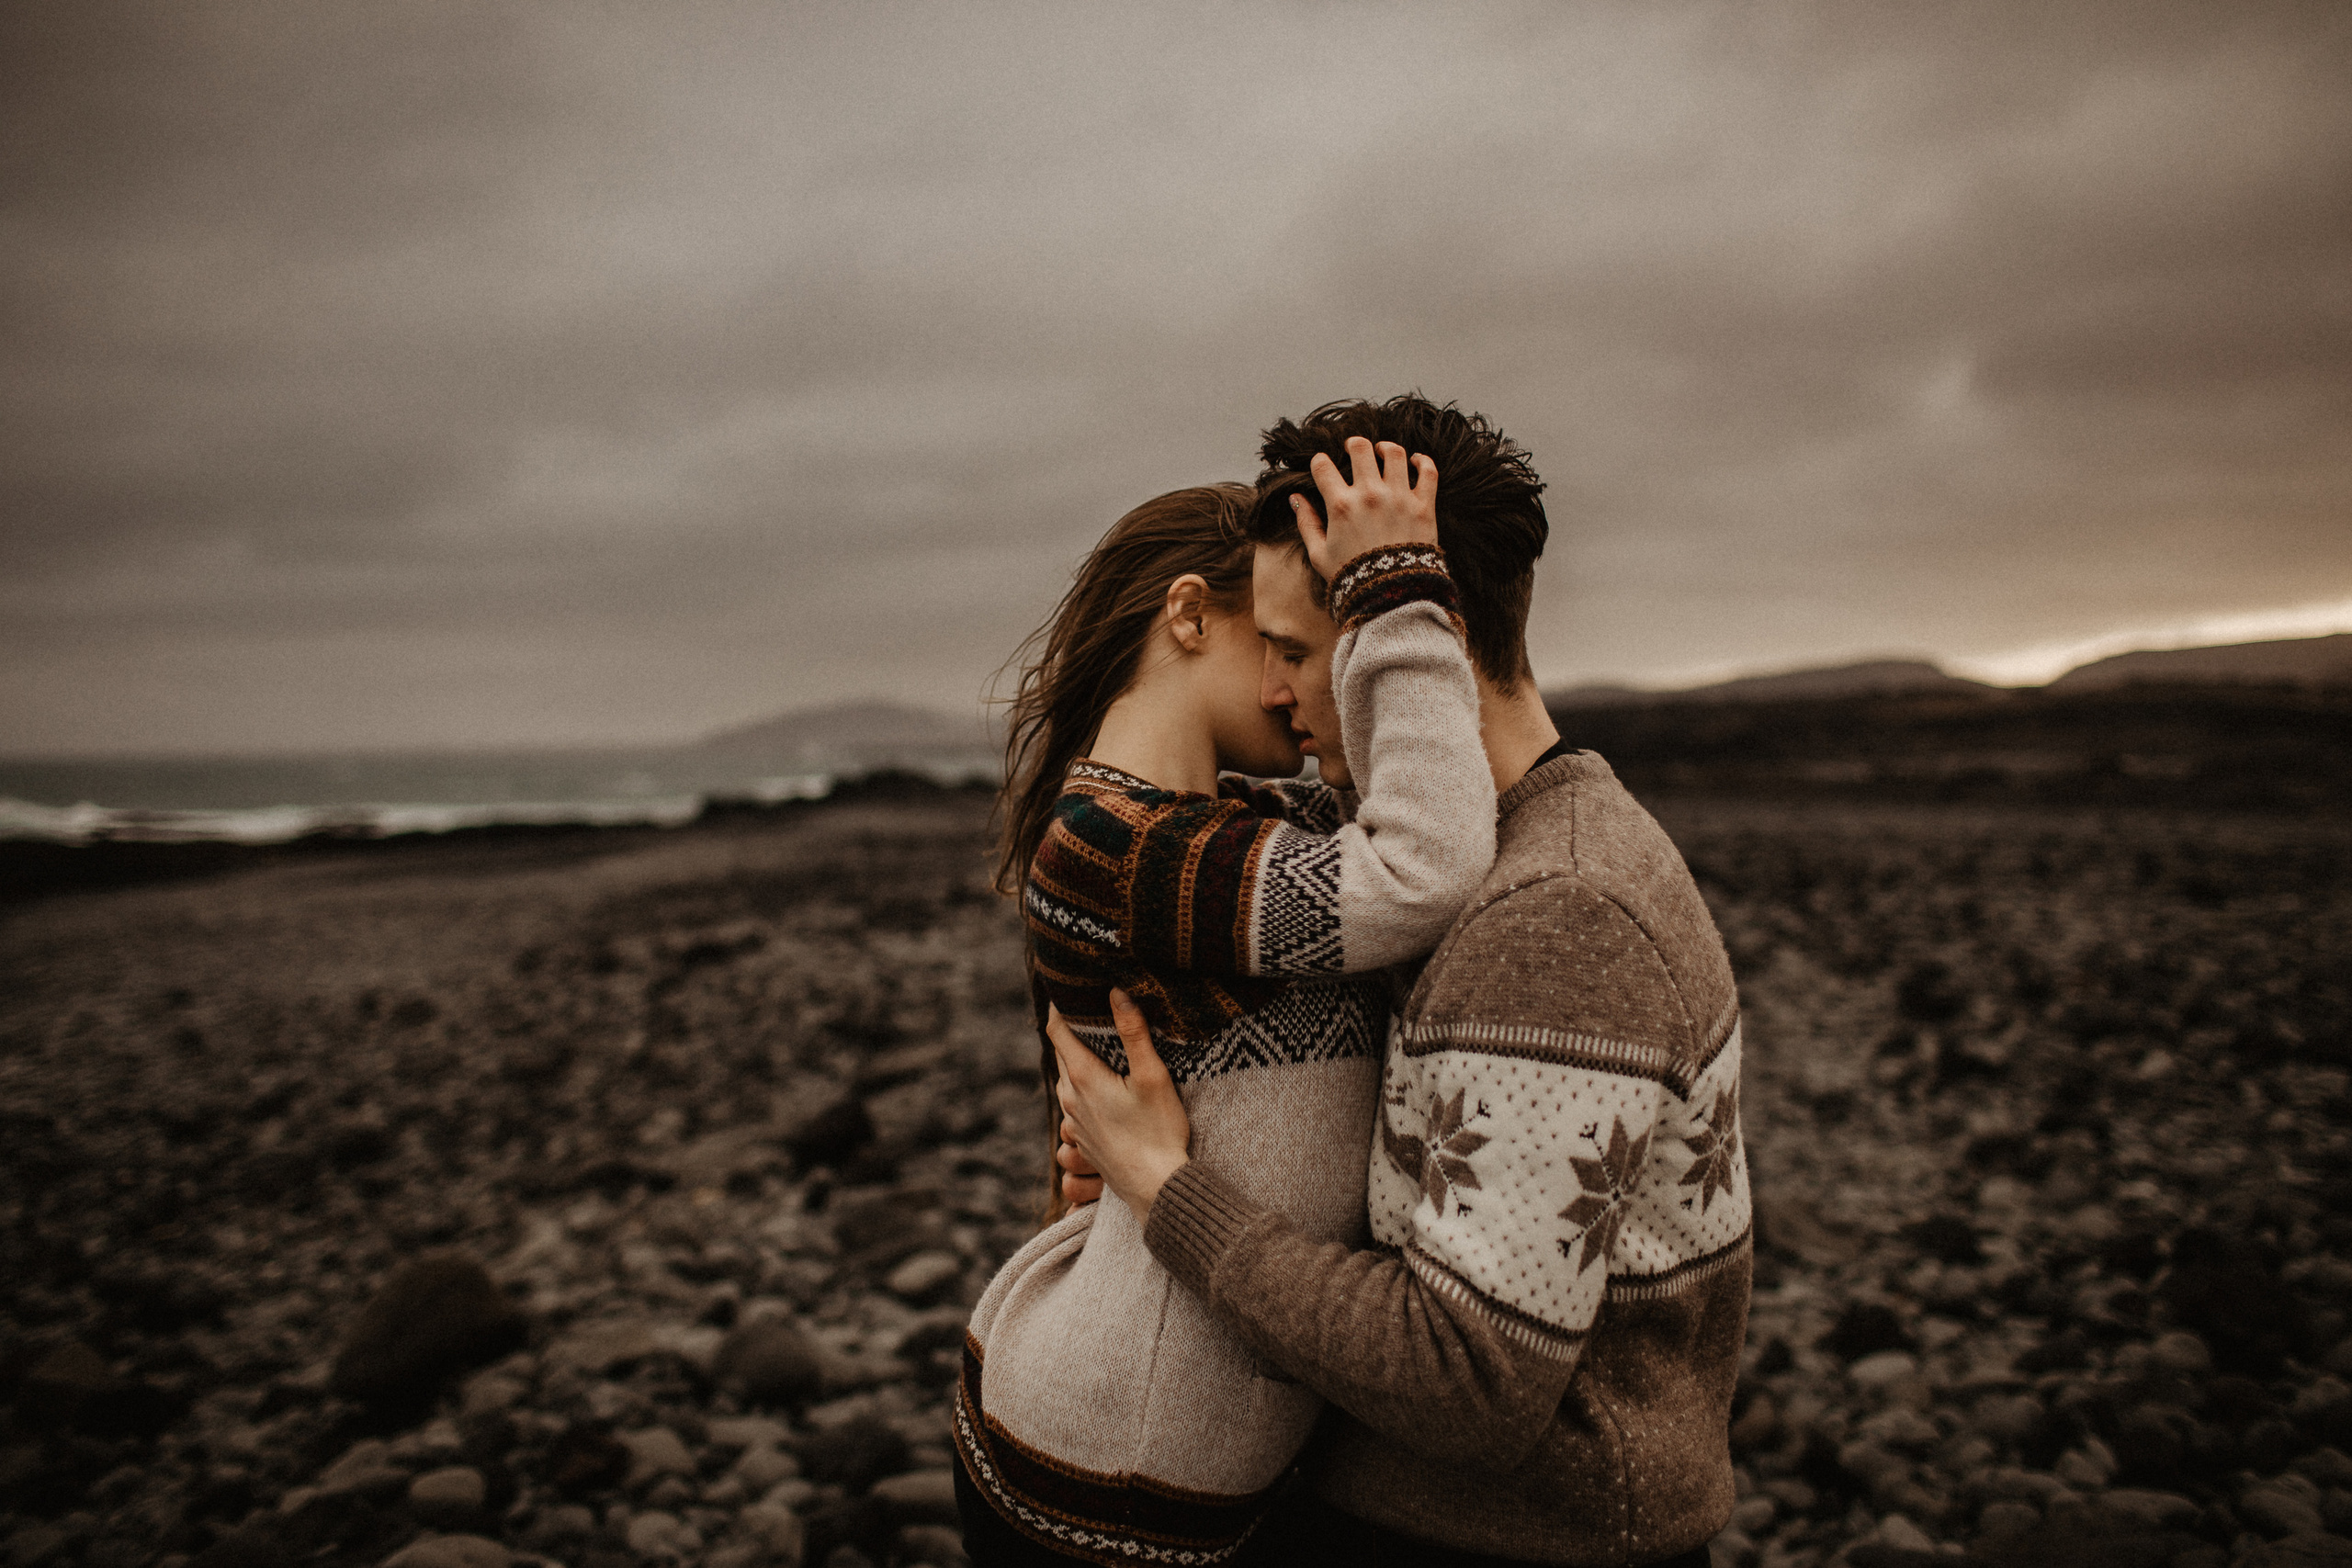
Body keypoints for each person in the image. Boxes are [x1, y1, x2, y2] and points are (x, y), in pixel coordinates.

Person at [1051, 396, 1752, 1568]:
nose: (1270, 698)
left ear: (1413, 633)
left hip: (1508, 1533)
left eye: (1290, 650)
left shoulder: (1555, 915)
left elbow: (1468, 1383)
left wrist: (1169, 1189)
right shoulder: (1473, 847)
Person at [957, 449, 1500, 1565]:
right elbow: (1426, 865)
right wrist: (1400, 584)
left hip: (1171, 1455)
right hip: (1103, 1473)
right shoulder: (1115, 845)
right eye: (1285, 646)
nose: (1298, 688)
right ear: (1191, 617)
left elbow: (1429, 799)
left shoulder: (1230, 822)